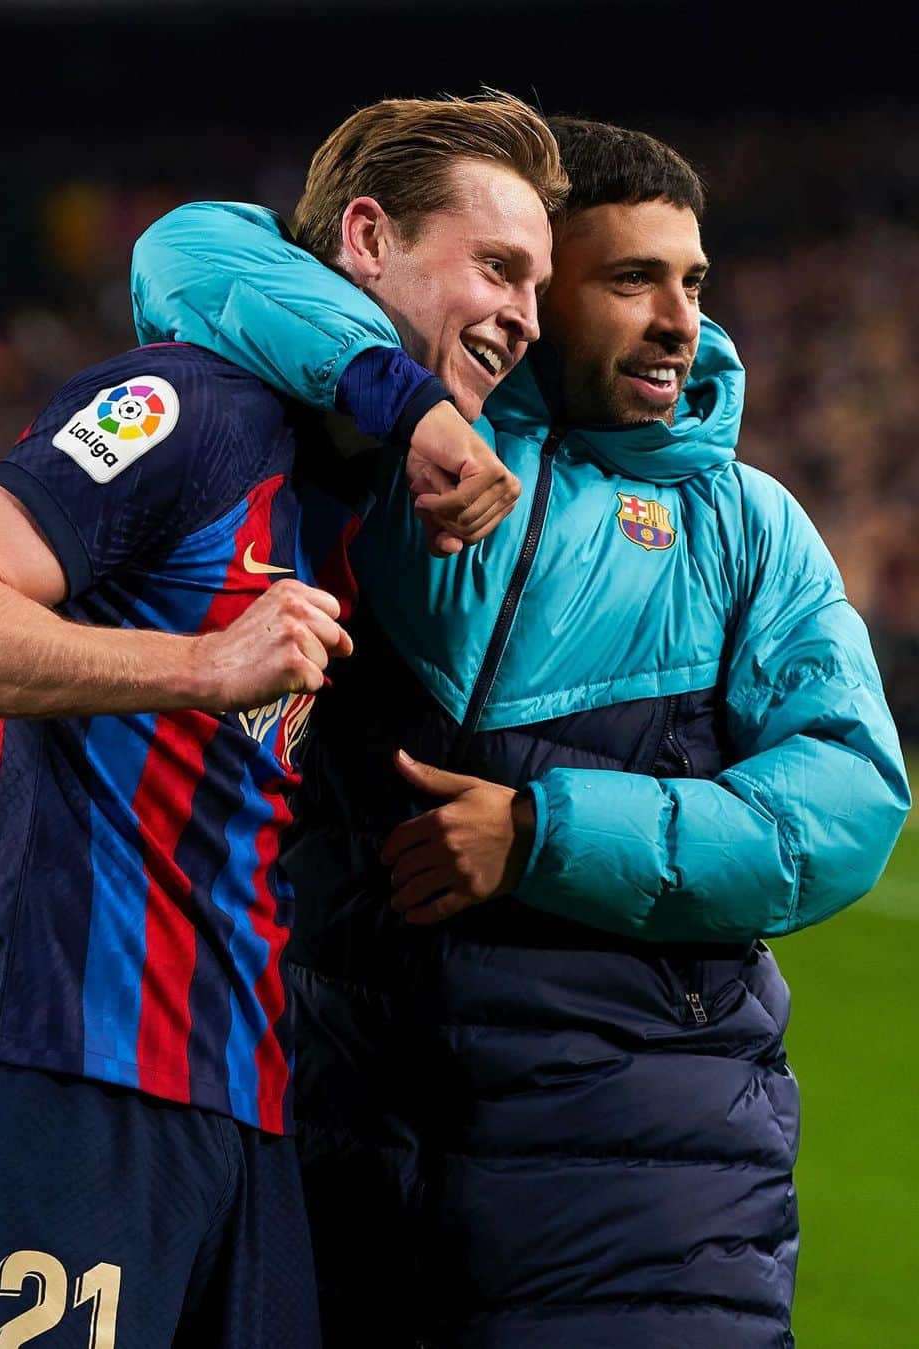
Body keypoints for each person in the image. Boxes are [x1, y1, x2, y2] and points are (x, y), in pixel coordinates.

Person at [130, 116, 910, 1348]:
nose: (679, 321)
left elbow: (850, 801)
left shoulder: (748, 523)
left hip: (645, 1194)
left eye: (692, 280)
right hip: (354, 1149)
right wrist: (404, 403)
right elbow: (190, 250)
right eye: (628, 280)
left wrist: (546, 827)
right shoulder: (399, 448)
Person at [0, 92, 562, 1349]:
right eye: (498, 267)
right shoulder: (182, 407)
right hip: (56, 1067)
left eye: (541, 287)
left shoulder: (351, 507)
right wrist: (200, 662)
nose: (523, 316)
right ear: (365, 238)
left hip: (240, 1099)